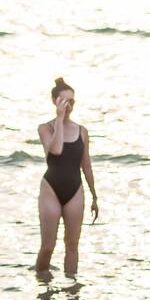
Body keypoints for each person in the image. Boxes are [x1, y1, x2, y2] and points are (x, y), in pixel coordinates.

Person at [36, 77, 98, 277]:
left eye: (72, 101)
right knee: (48, 245)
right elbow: (55, 150)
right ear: (55, 101)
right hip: (51, 189)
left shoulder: (82, 131)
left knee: (72, 245)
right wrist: (60, 119)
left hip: (75, 189)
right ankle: (42, 285)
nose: (69, 105)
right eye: (65, 101)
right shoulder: (46, 128)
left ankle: (72, 290)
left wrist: (95, 196)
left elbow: (86, 165)